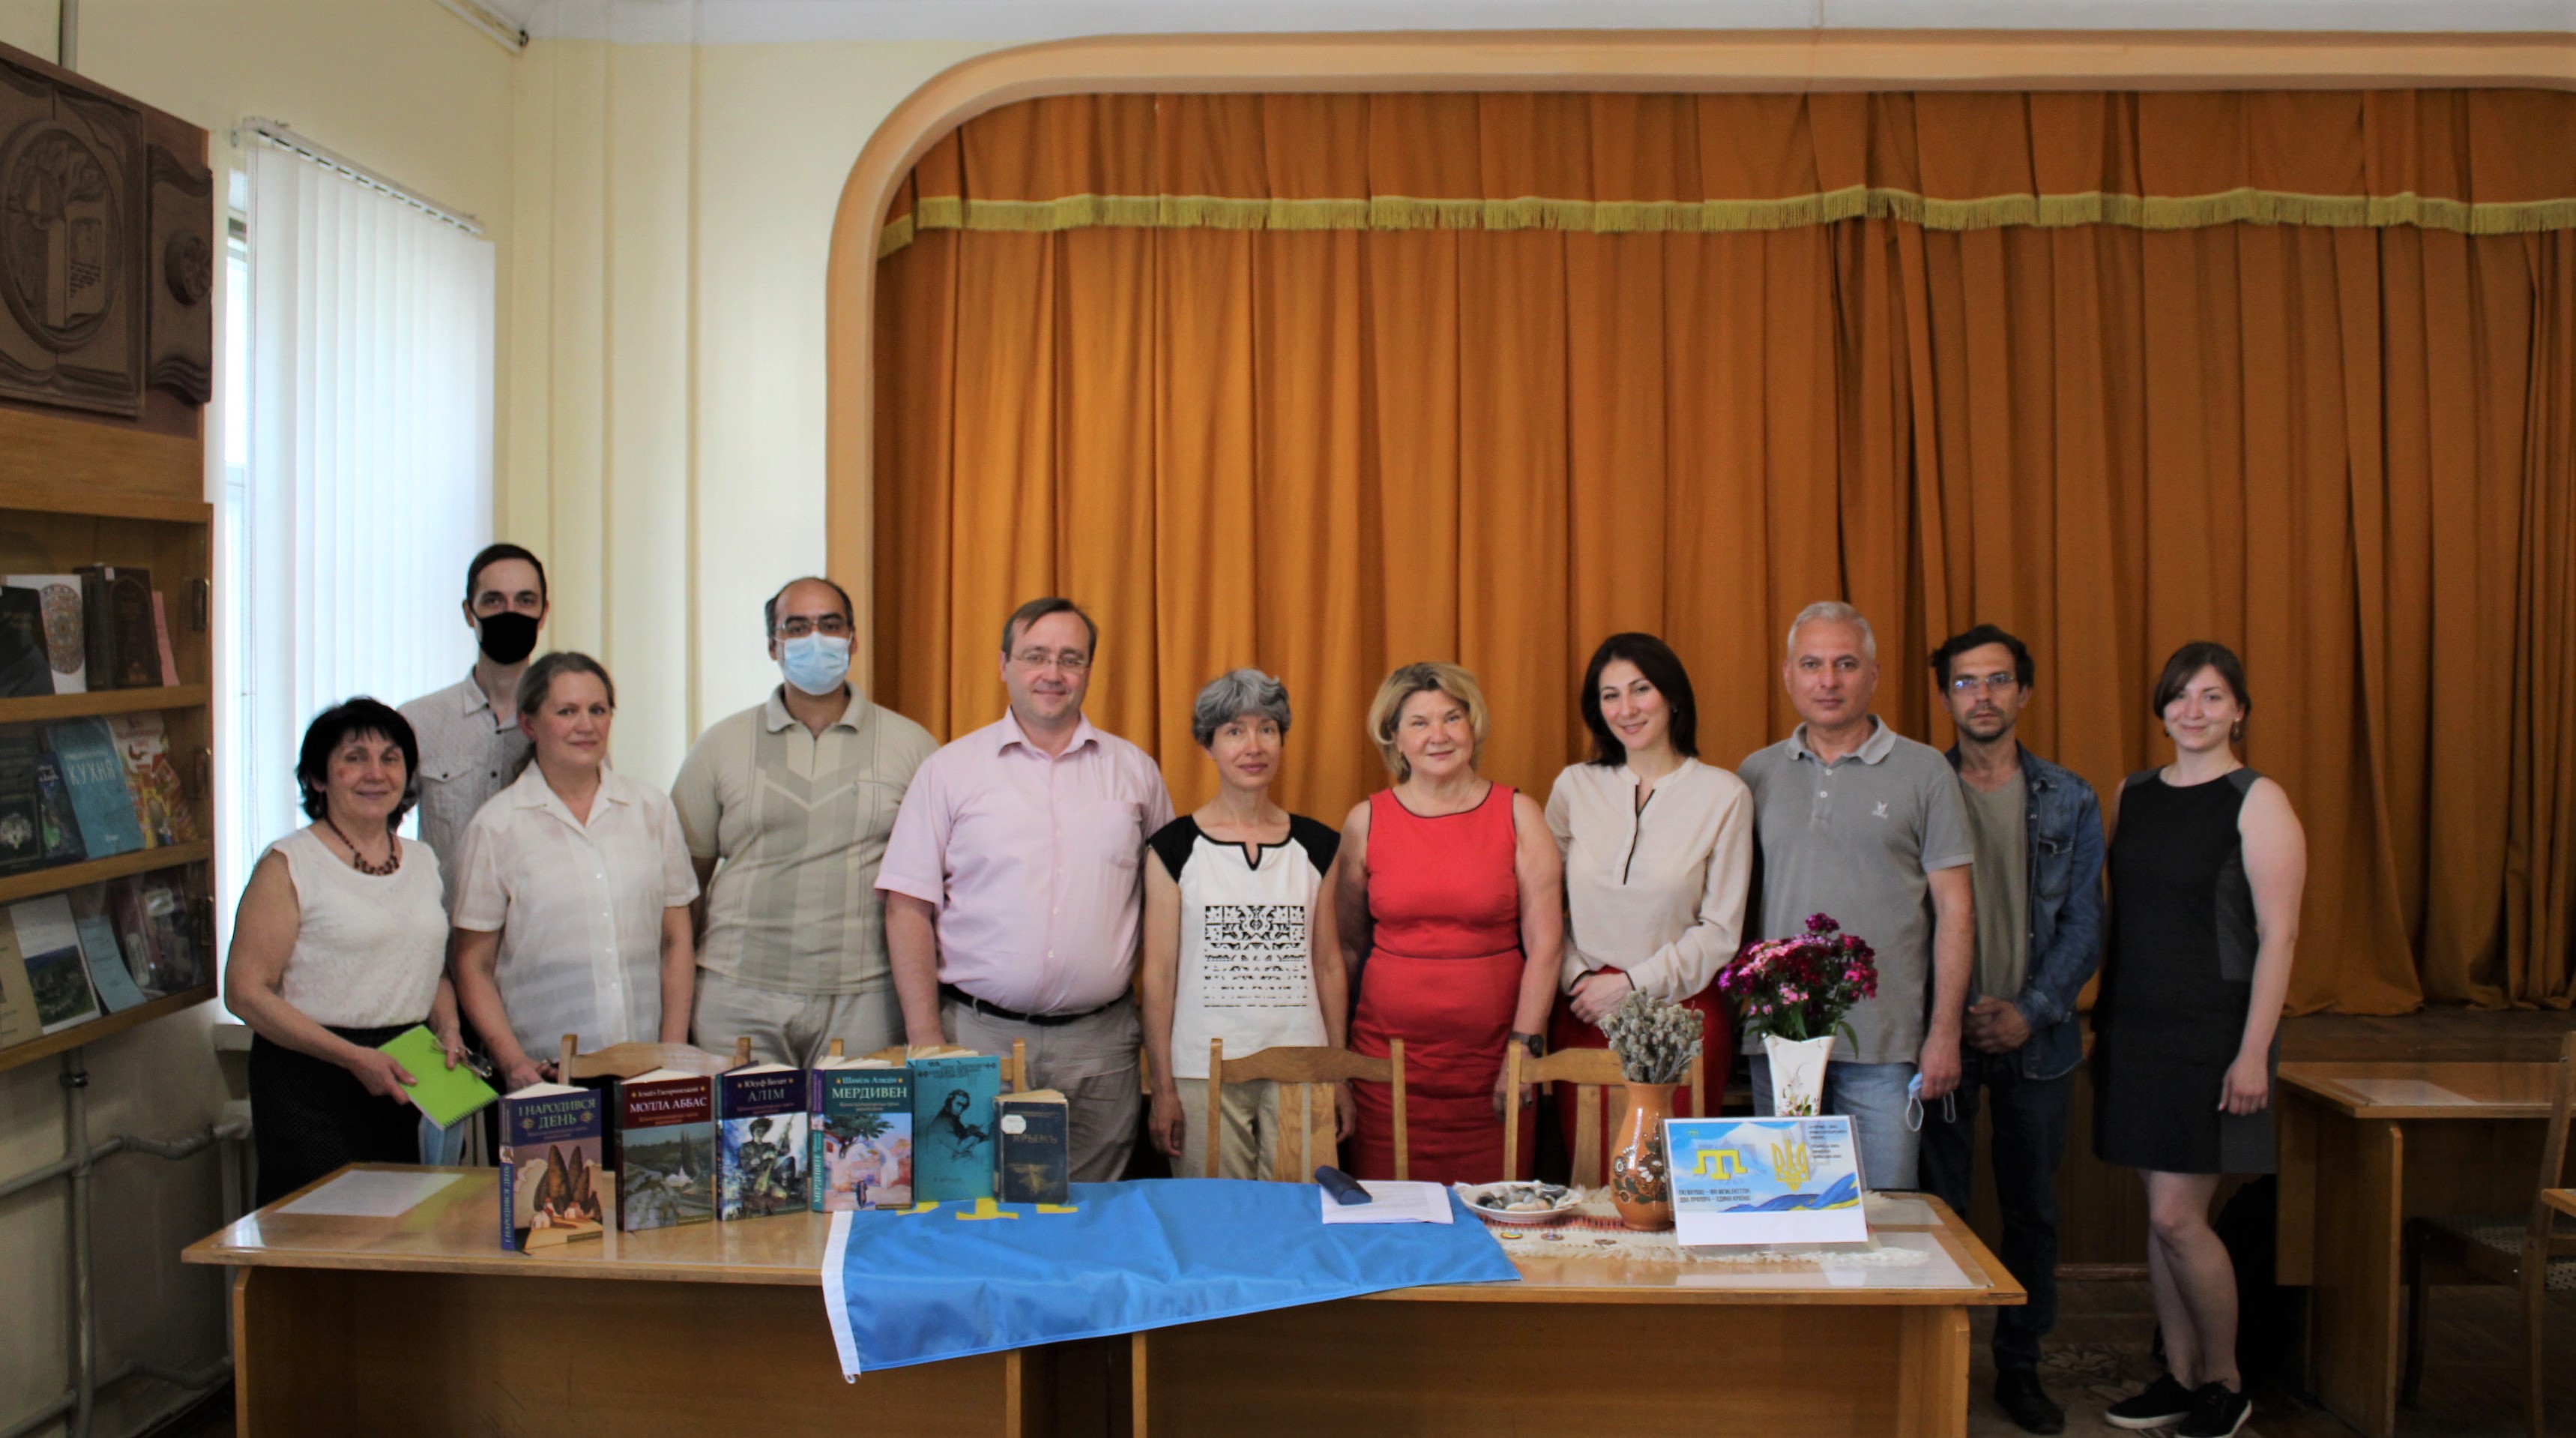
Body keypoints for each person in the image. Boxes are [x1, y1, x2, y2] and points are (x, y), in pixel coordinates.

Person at [877, 598, 1174, 1182]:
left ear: (1088, 670)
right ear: (1003, 665)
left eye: (1070, 659)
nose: (1052, 673)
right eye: (1035, 656)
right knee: (976, 1208)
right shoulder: (950, 771)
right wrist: (927, 1042)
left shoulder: (1136, 773)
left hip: (1100, 1048)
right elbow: (906, 907)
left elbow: (1166, 907)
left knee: (1094, 1212)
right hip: (975, 1039)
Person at [2095, 643, 2304, 1438]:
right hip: (2138, 1025)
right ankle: (2179, 1375)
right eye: (2180, 696)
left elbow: (2278, 937)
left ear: (2238, 711)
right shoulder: (2134, 793)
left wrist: (2252, 1053)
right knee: (2160, 1216)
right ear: (2161, 708)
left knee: (2179, 1217)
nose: (2193, 711)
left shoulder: (2258, 800)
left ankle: (2225, 1380)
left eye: (2212, 697)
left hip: (2214, 1034)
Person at [1916, 625, 2105, 1437]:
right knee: (1940, 1208)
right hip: (1941, 1035)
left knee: (2032, 1212)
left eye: (1997, 680)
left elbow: (2085, 924)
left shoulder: (2069, 796)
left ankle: (2020, 1367)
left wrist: (2029, 1009)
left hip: (2038, 1039)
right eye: (1965, 682)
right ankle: (1939, 1365)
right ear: (1945, 696)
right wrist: (1947, 1016)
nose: (1982, 696)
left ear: (2023, 691)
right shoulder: (1921, 785)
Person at [1738, 601, 1973, 1192]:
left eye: (1845, 664)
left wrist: (1943, 1032)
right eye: (1811, 664)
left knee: (1886, 1216)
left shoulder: (1925, 772)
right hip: (1781, 1044)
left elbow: (1956, 911)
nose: (1827, 680)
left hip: (1884, 1046)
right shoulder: (1755, 775)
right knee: (1784, 1212)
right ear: (1787, 675)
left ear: (1872, 674)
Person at [672, 577, 937, 1066]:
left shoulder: (913, 746)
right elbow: (684, 887)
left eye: (830, 625)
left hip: (866, 1000)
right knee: (742, 1121)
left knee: (865, 1122)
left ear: (853, 640)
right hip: (736, 996)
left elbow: (931, 884)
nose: (815, 639)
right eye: (796, 627)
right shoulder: (719, 746)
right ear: (773, 646)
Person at [225, 700, 462, 1204]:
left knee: (410, 1229)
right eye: (355, 758)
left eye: (390, 758)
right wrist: (353, 1058)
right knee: (327, 1234)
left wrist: (450, 1030)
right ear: (317, 778)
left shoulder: (422, 859)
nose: (375, 773)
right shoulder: (289, 863)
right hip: (312, 1077)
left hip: (408, 1073)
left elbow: (429, 965)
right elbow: (245, 993)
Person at [1333, 663, 1562, 1185]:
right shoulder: (1364, 821)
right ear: (1394, 737)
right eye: (1419, 723)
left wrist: (1522, 1054)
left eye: (1452, 718)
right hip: (1385, 1070)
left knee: (1498, 1218)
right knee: (1390, 1218)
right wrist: (1339, 1064)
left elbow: (1547, 946)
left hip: (1496, 1069)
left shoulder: (1520, 814)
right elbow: (1345, 946)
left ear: (1472, 726)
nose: (1438, 735)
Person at [1544, 634, 1750, 1171]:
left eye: (1641, 690)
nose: (1626, 708)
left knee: (1675, 1187)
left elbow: (1720, 930)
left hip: (1680, 1020)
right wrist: (1578, 979)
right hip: (1584, 1012)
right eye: (1610, 695)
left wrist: (1631, 985)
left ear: (1672, 696)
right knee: (1592, 1182)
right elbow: (1541, 907)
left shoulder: (1724, 794)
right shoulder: (1573, 786)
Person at [449, 652, 701, 1092]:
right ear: (529, 724)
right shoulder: (496, 826)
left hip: (648, 1070)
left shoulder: (652, 810)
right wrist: (512, 1061)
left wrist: (672, 1053)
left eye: (597, 710)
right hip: (544, 1075)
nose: (586, 725)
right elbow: (473, 964)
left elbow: (676, 940)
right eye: (567, 712)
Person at [1140, 670, 1347, 1179]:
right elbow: (1158, 974)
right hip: (1202, 1069)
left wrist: (1338, 1072)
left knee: (1302, 1212)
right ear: (1208, 745)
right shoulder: (1173, 848)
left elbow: (1327, 965)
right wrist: (1162, 1087)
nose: (1253, 746)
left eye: (1267, 729)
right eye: (1234, 731)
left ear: (1281, 740)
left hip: (1301, 1065)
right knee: (1216, 1217)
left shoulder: (1318, 845)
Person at [399, 543, 549, 903]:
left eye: (525, 600)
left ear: (543, 613)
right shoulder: (418, 721)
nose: (510, 612)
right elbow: (373, 825)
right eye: (494, 601)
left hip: (540, 927)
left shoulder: (566, 723)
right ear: (469, 613)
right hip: (446, 924)